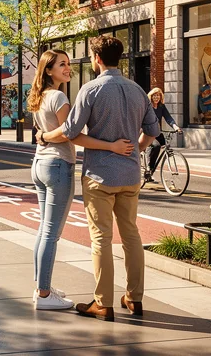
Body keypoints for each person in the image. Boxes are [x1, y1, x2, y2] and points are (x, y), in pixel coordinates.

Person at [39, 36, 159, 322]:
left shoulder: (89, 91)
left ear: (96, 59)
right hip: (130, 174)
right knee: (131, 235)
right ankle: (134, 297)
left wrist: (43, 136)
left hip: (99, 176)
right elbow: (152, 131)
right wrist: (135, 150)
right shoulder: (138, 90)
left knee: (101, 239)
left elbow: (70, 132)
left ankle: (103, 304)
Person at [27, 49, 133, 310]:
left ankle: (42, 286)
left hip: (40, 163)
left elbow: (50, 131)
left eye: (67, 63)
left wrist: (42, 136)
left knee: (43, 230)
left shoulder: (39, 96)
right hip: (58, 165)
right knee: (51, 233)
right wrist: (111, 146)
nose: (67, 68)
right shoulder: (60, 96)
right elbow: (70, 133)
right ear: (48, 70)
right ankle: (43, 295)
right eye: (61, 64)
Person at [145, 88, 181, 183]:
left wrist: (176, 127)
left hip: (157, 132)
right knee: (155, 146)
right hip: (148, 132)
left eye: (158, 95)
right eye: (154, 95)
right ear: (151, 96)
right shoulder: (148, 107)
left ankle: (151, 171)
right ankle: (148, 167)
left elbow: (168, 118)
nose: (156, 97)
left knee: (165, 147)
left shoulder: (161, 107)